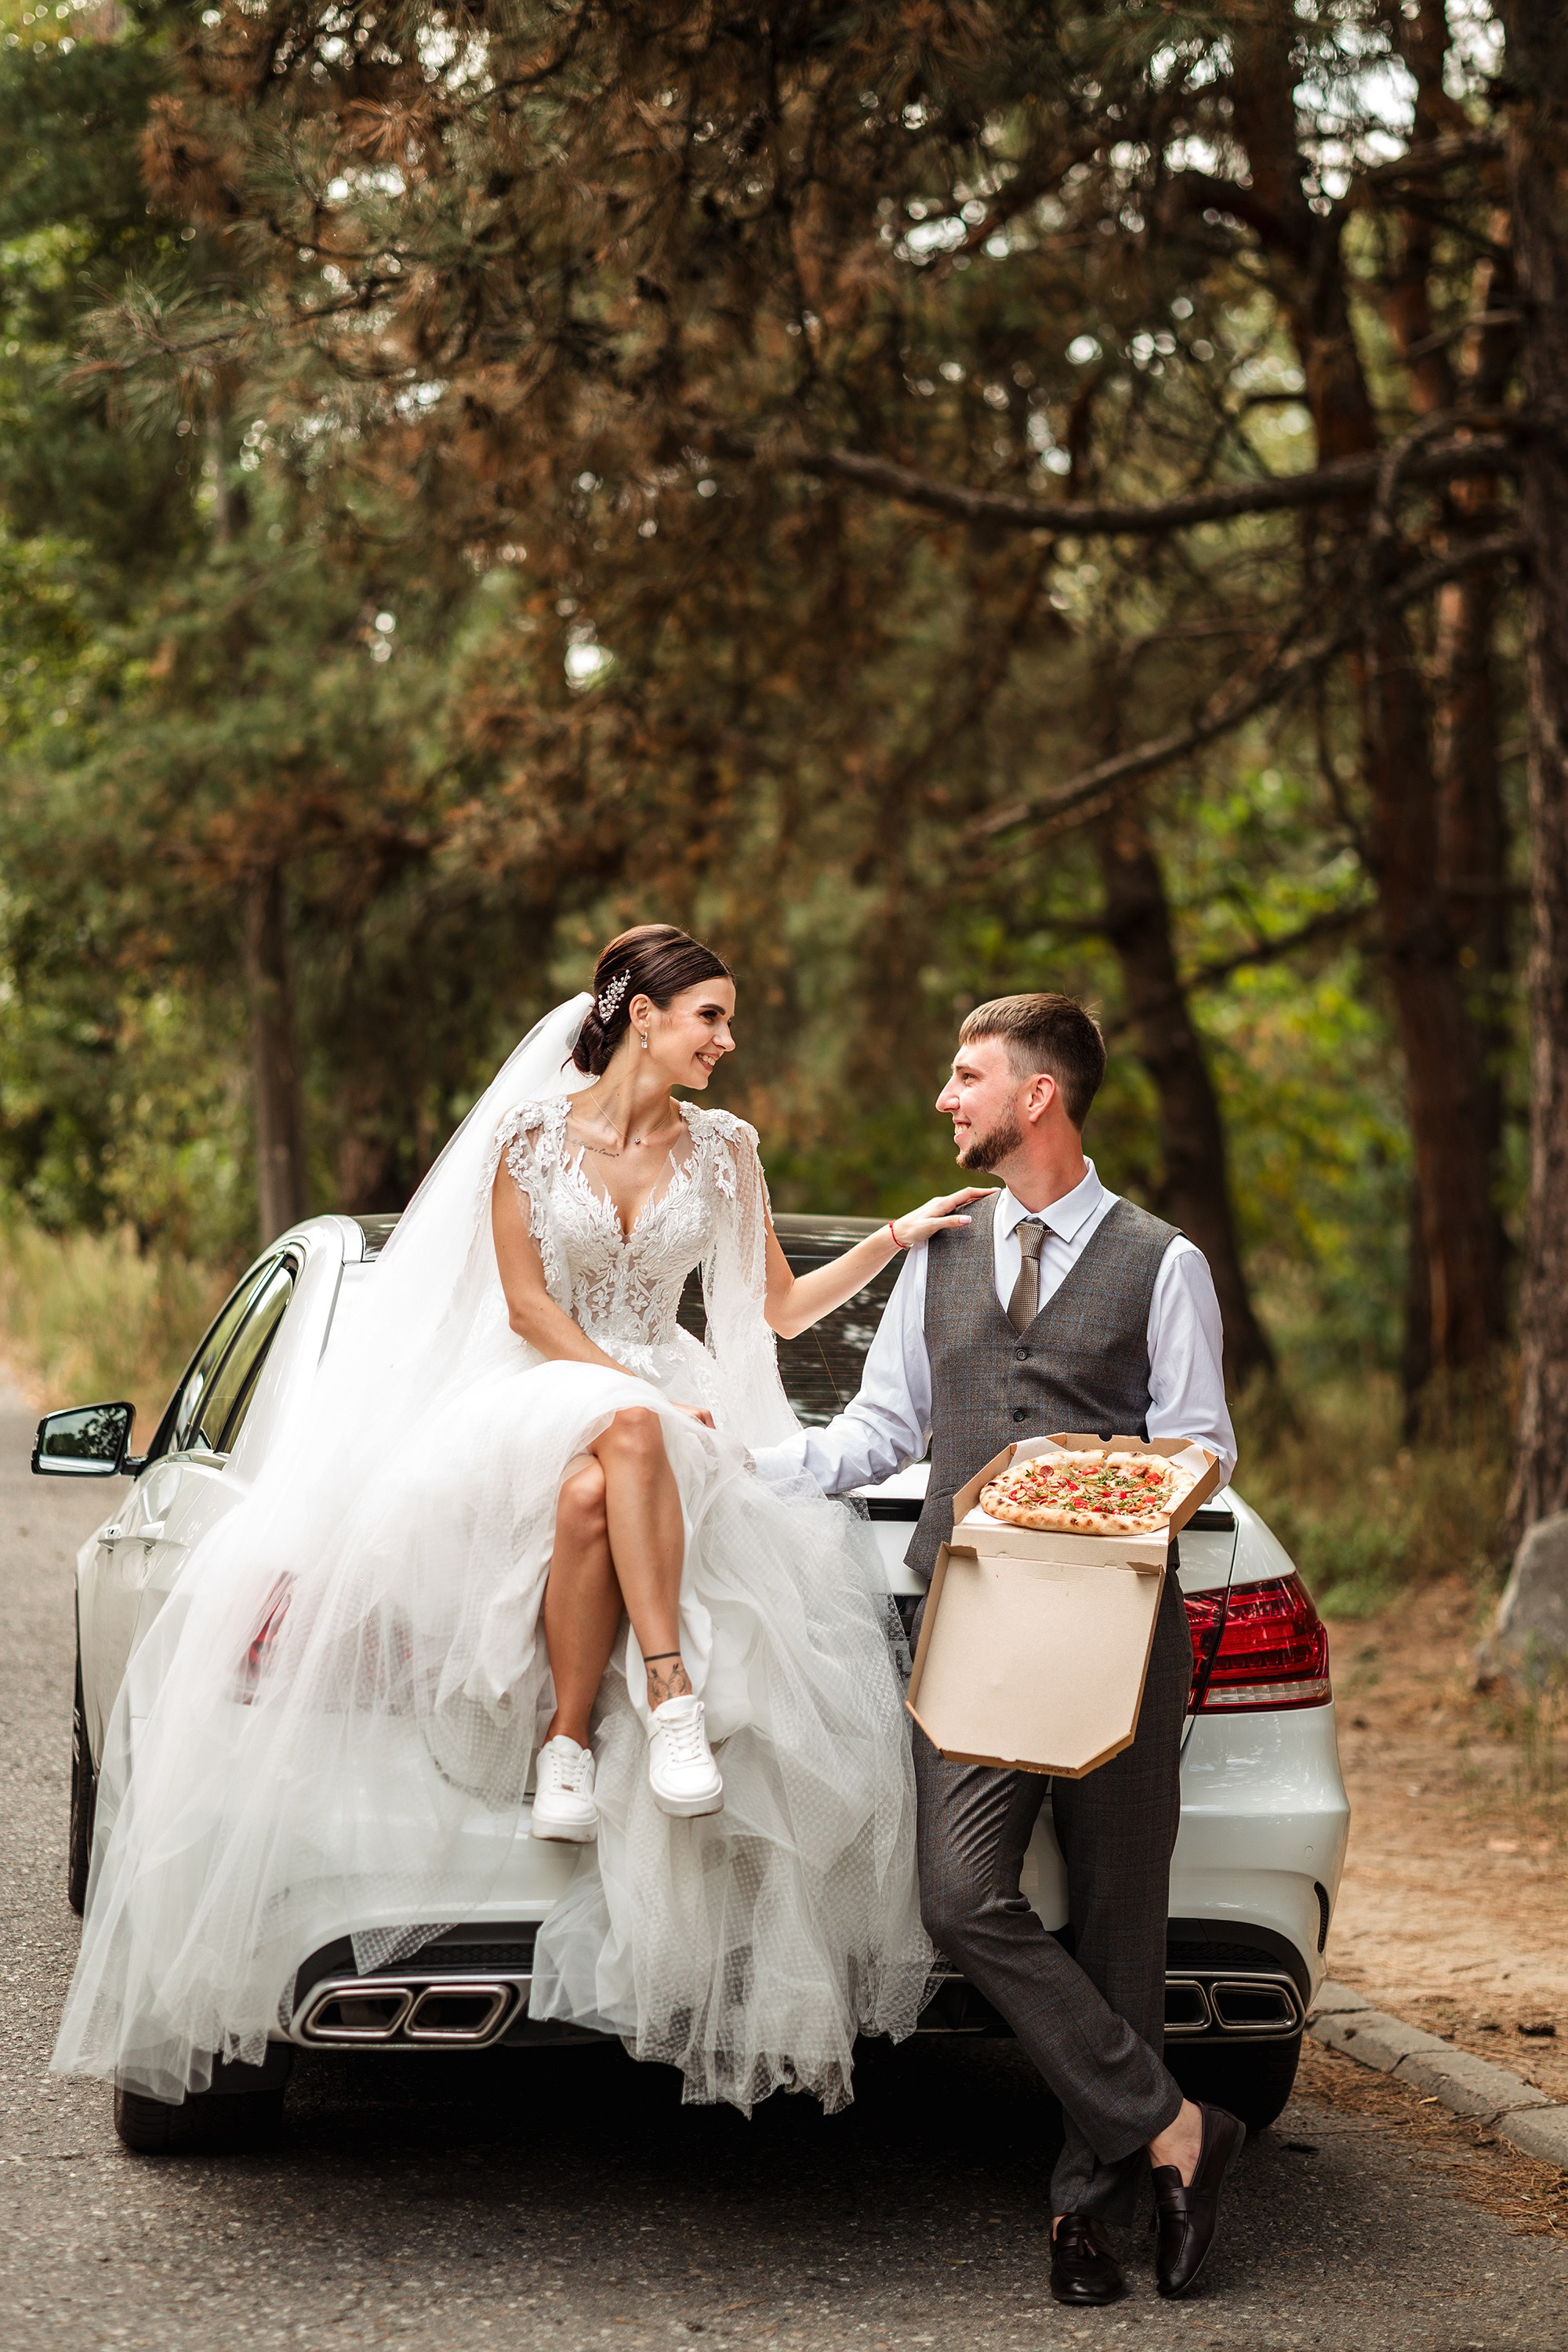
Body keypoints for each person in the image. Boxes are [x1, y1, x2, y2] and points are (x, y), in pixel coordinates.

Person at [53, 926, 980, 2118]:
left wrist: (896, 1237)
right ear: (643, 1015)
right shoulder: (530, 1140)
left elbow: (783, 1309)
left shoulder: (727, 1151)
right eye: (710, 1016)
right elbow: (531, 1308)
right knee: (629, 1432)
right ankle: (672, 1698)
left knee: (599, 1488)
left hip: (655, 1421)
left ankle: (566, 1743)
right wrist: (641, 1394)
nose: (727, 1040)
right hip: (540, 1387)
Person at [753, 993, 1244, 2302]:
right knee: (962, 1896)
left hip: (1120, 1625)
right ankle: (1176, 2129)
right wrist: (735, 1469)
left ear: (1038, 1096)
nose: (945, 1098)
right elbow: (878, 1434)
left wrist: (1087, 1485)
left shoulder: (1164, 1261)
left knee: (1122, 1922)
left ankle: (1089, 2215)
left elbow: (1201, 1448)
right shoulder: (939, 1252)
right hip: (969, 1620)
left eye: (966, 1076)